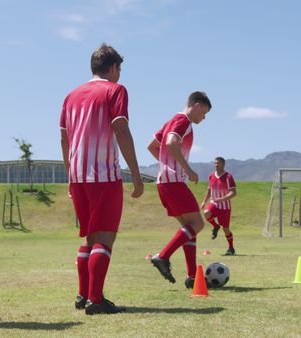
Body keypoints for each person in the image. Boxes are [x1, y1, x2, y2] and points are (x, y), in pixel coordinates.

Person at [60, 43, 143, 315]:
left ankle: (83, 294)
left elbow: (64, 137)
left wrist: (69, 172)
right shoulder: (115, 90)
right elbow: (120, 129)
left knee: (89, 238)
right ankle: (96, 299)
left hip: (77, 175)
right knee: (104, 239)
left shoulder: (71, 95)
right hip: (103, 174)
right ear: (114, 67)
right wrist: (136, 174)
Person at [147, 91, 211, 289]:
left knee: (190, 228)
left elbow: (152, 146)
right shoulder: (183, 121)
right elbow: (171, 143)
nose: (204, 117)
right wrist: (186, 169)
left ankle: (192, 276)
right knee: (198, 224)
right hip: (174, 182)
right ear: (197, 105)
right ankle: (163, 256)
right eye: (204, 113)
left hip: (163, 183)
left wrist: (167, 163)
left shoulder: (170, 122)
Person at [200, 157, 237, 255]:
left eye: (218, 163)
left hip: (225, 207)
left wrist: (221, 199)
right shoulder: (211, 176)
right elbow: (209, 190)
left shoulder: (228, 177)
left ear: (223, 164)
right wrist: (204, 202)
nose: (216, 165)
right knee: (206, 213)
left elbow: (233, 192)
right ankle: (215, 226)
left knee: (226, 229)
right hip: (214, 204)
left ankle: (231, 248)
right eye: (215, 163)